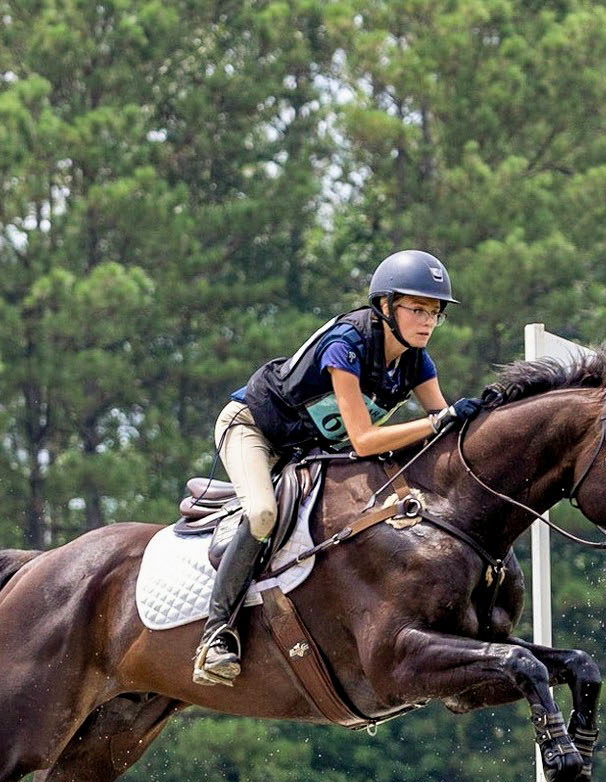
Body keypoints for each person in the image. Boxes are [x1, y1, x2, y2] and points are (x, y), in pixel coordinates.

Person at [193, 249, 483, 686]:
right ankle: (216, 633)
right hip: (254, 429)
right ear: (385, 306)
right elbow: (366, 439)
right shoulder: (345, 345)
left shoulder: (417, 362)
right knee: (262, 514)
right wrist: (437, 420)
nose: (428, 321)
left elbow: (441, 432)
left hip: (308, 450)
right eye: (418, 309)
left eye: (436, 313)